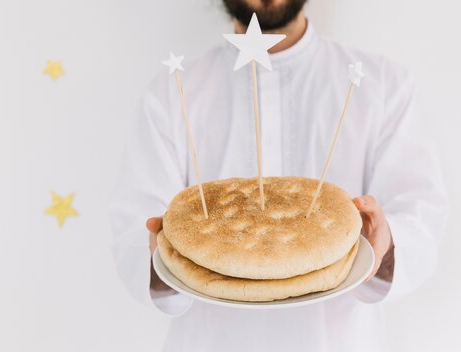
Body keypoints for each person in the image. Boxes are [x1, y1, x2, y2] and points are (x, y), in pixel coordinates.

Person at [109, 0, 448, 351]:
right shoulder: (172, 93)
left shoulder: (381, 86)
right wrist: (163, 258)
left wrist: (386, 242)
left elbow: (421, 221)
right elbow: (132, 237)